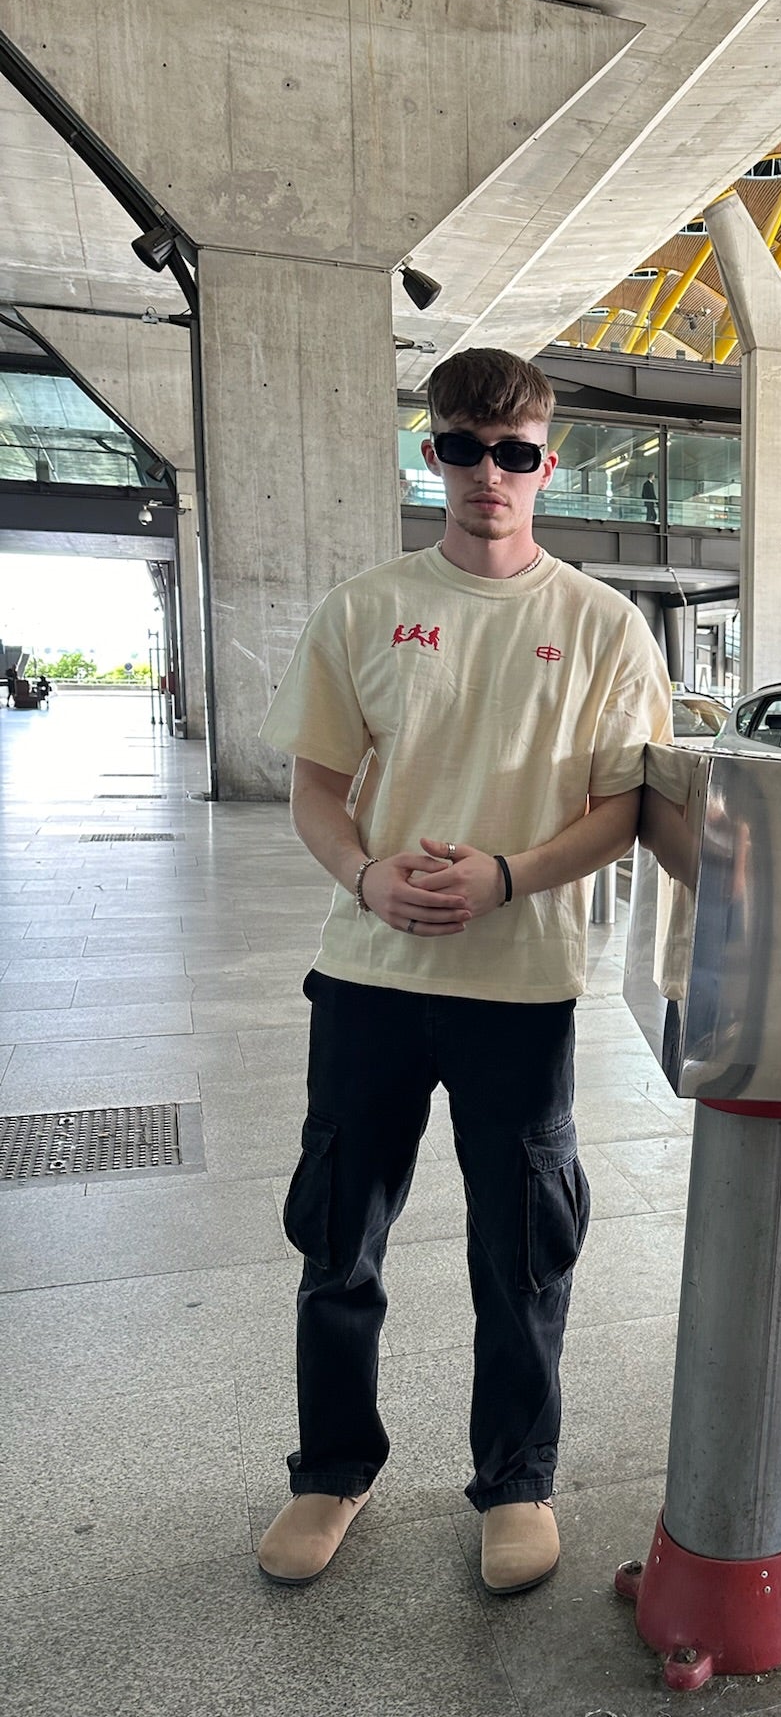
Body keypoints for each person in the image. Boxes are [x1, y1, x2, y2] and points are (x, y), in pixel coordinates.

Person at [255, 347, 671, 1595]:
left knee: (524, 1248)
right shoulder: (365, 606)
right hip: (371, 979)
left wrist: (509, 874)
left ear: (547, 461)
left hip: (520, 988)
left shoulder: (600, 624)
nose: (488, 475)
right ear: (428, 452)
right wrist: (364, 875)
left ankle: (518, 1478)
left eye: (515, 453)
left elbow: (625, 806)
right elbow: (317, 788)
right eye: (461, 448)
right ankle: (333, 1466)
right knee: (339, 1233)